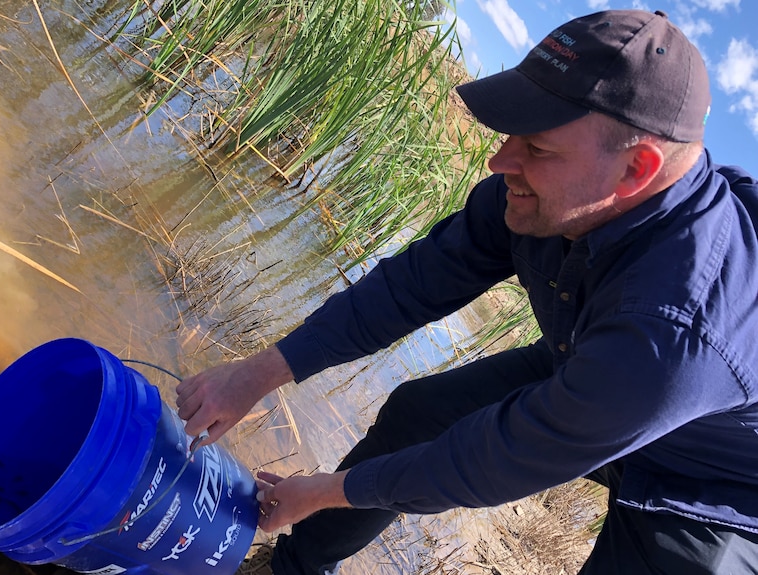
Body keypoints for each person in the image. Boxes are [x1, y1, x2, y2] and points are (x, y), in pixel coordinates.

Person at [175, 9, 758, 574]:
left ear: (636, 170)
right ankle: (293, 568)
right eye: (513, 134)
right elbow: (412, 285)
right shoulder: (543, 198)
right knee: (419, 414)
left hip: (715, 487)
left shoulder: (674, 326)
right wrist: (255, 374)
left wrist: (327, 491)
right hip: (596, 365)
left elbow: (495, 460)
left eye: (538, 148)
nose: (499, 159)